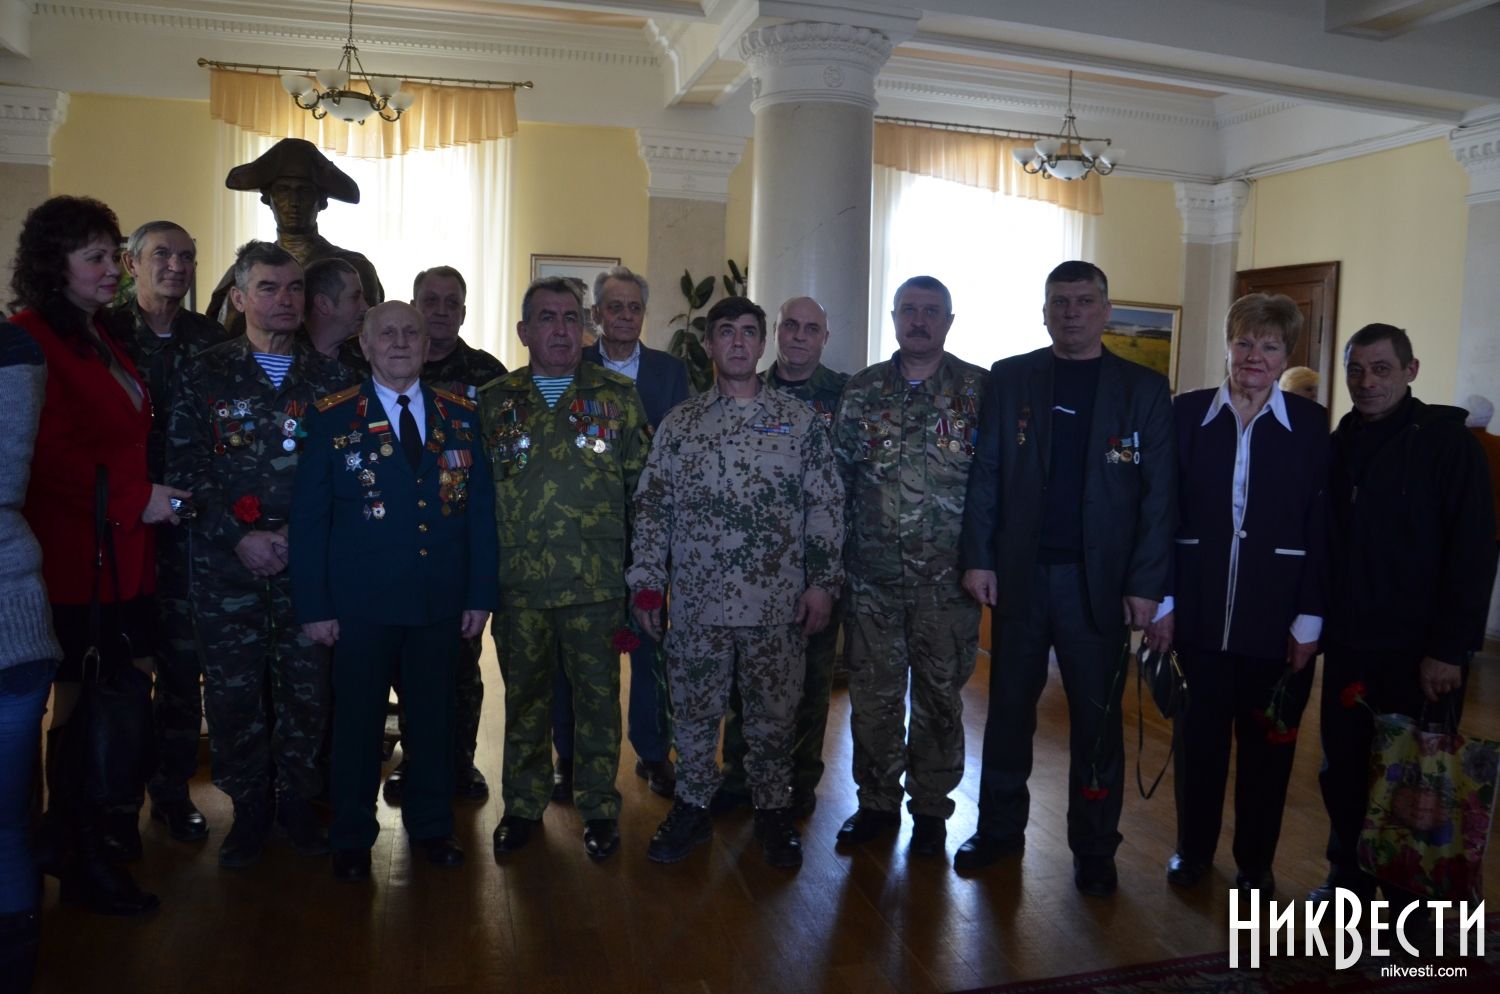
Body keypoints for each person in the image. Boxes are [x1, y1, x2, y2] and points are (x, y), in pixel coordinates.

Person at [956, 261, 1174, 896]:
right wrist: (979, 557)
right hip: (1021, 578)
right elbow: (986, 473)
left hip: (1098, 586)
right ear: (1044, 311)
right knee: (1008, 715)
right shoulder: (1011, 377)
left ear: (1105, 311)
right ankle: (999, 831)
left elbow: (1159, 495)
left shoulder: (1142, 388)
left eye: (1083, 301)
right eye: (1060, 302)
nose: (1071, 312)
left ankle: (1096, 847)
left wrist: (1146, 584)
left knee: (1097, 724)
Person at [13, 195, 188, 916]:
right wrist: (136, 498)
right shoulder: (29, 339)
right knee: (84, 708)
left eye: (116, 255)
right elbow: (43, 455)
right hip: (73, 554)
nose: (114, 269)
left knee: (112, 704)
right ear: (55, 266)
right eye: (98, 258)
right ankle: (74, 851)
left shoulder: (98, 335)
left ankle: (82, 840)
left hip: (124, 551)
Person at [630, 296, 844, 869]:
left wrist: (822, 584)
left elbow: (825, 506)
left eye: (749, 332)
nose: (739, 343)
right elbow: (653, 508)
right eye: (726, 332)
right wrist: (647, 582)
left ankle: (773, 814)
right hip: (698, 605)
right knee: (695, 716)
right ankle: (693, 807)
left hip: (776, 606)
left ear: (762, 342)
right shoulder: (681, 425)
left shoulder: (799, 423)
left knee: (774, 719)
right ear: (709, 344)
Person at [291, 301, 497, 881]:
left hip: (439, 603)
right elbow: (309, 521)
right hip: (360, 607)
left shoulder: (461, 415)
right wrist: (315, 606)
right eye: (388, 333)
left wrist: (479, 594)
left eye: (412, 333)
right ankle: (352, 836)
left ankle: (432, 826)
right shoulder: (333, 417)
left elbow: (480, 513)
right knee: (356, 726)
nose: (401, 342)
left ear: (428, 346)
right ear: (365, 345)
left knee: (433, 722)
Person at [167, 240, 356, 869]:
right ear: (240, 297)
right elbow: (184, 471)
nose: (285, 300)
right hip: (227, 568)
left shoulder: (334, 381)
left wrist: (301, 540)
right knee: (232, 695)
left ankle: (297, 802)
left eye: (294, 288)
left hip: (308, 569)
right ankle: (248, 809)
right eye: (269, 288)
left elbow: (350, 478)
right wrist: (239, 537)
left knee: (307, 692)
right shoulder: (203, 373)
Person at [1142, 293, 1327, 895]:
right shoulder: (1186, 412)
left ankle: (1255, 863)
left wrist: (1310, 619)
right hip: (1195, 613)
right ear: (1227, 345)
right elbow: (1159, 510)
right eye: (1244, 342)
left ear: (1285, 356)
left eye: (1269, 346)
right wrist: (1162, 601)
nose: (1254, 356)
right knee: (1198, 745)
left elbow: (1323, 526)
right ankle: (1193, 850)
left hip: (1278, 620)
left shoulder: (1312, 425)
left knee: (1269, 751)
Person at [1312, 323, 1497, 905]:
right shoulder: (1339, 443)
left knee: (1414, 773)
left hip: (1422, 652)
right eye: (1356, 370)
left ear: (1411, 371)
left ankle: (1408, 897)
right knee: (1343, 766)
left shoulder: (1450, 445)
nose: (1366, 382)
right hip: (1350, 642)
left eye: (1381, 369)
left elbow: (1473, 552)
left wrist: (1450, 649)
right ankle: (1347, 876)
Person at [480, 277, 649, 862]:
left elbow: (643, 491)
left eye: (571, 318)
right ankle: (522, 807)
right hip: (519, 585)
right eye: (547, 318)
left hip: (596, 585)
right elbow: (475, 499)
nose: (560, 329)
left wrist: (643, 578)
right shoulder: (494, 401)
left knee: (598, 702)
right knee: (525, 701)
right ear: (524, 330)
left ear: (585, 328)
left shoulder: (617, 396)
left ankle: (599, 807)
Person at [830, 276, 986, 859]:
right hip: (871, 581)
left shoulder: (979, 391)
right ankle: (875, 803)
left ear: (949, 320)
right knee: (873, 699)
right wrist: (832, 568)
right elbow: (837, 482)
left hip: (949, 585)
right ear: (894, 317)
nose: (919, 320)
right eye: (909, 310)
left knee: (940, 700)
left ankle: (931, 810)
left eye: (931, 311)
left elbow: (995, 486)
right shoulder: (863, 389)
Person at [551, 265, 690, 804]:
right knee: (580, 652)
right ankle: (571, 756)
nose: (626, 316)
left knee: (648, 644)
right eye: (615, 307)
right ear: (596, 314)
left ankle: (653, 753)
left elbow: (681, 451)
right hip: (584, 539)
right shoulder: (571, 366)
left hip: (650, 538)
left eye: (634, 307)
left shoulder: (670, 372)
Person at [114, 220, 232, 848]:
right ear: (132, 264)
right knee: (121, 674)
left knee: (184, 670)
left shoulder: (210, 340)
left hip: (190, 529)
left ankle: (171, 792)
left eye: (187, 256)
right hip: (121, 528)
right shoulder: (104, 335)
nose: (176, 266)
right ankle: (114, 804)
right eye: (162, 254)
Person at [375, 265, 509, 806]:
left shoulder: (488, 373)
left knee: (460, 668)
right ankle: (414, 761)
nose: (440, 310)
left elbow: (500, 456)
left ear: (464, 311)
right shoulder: (388, 364)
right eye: (430, 300)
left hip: (455, 545)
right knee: (403, 669)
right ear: (414, 306)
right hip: (391, 546)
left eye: (452, 302)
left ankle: (459, 762)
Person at [716, 295, 849, 820]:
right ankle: (739, 775)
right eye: (790, 325)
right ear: (775, 333)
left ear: (824, 338)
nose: (798, 336)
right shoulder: (748, 388)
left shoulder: (848, 396)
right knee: (743, 682)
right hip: (751, 570)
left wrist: (827, 573)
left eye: (810, 328)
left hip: (816, 566)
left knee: (812, 684)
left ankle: (799, 780)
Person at [0, 318, 65, 983]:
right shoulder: (18, 348)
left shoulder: (16, 348)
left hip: (12, 624)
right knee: (7, 825)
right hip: (17, 615)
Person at [206, 138, 384, 333]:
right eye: (283, 190)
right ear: (268, 198)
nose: (293, 201)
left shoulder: (354, 268)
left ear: (321, 201)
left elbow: (369, 336)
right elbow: (225, 337)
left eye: (304, 191)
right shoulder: (246, 272)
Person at [303, 258, 367, 358]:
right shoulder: (285, 355)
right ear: (323, 304)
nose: (366, 307)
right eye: (355, 297)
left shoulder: (366, 356)